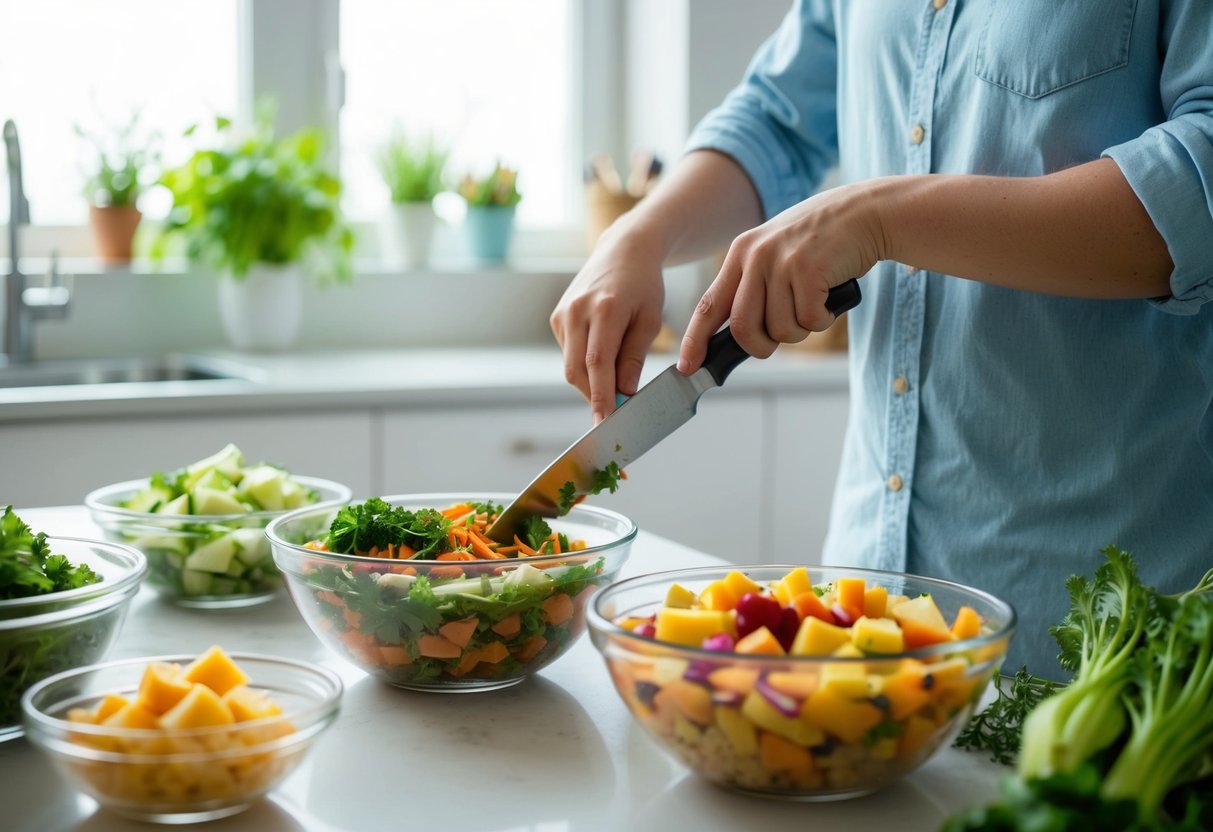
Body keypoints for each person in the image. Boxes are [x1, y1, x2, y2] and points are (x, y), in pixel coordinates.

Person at [549, 0, 1213, 677]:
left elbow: (1202, 175)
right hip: (863, 612)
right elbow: (775, 121)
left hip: (1102, 638)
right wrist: (636, 235)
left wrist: (879, 219)